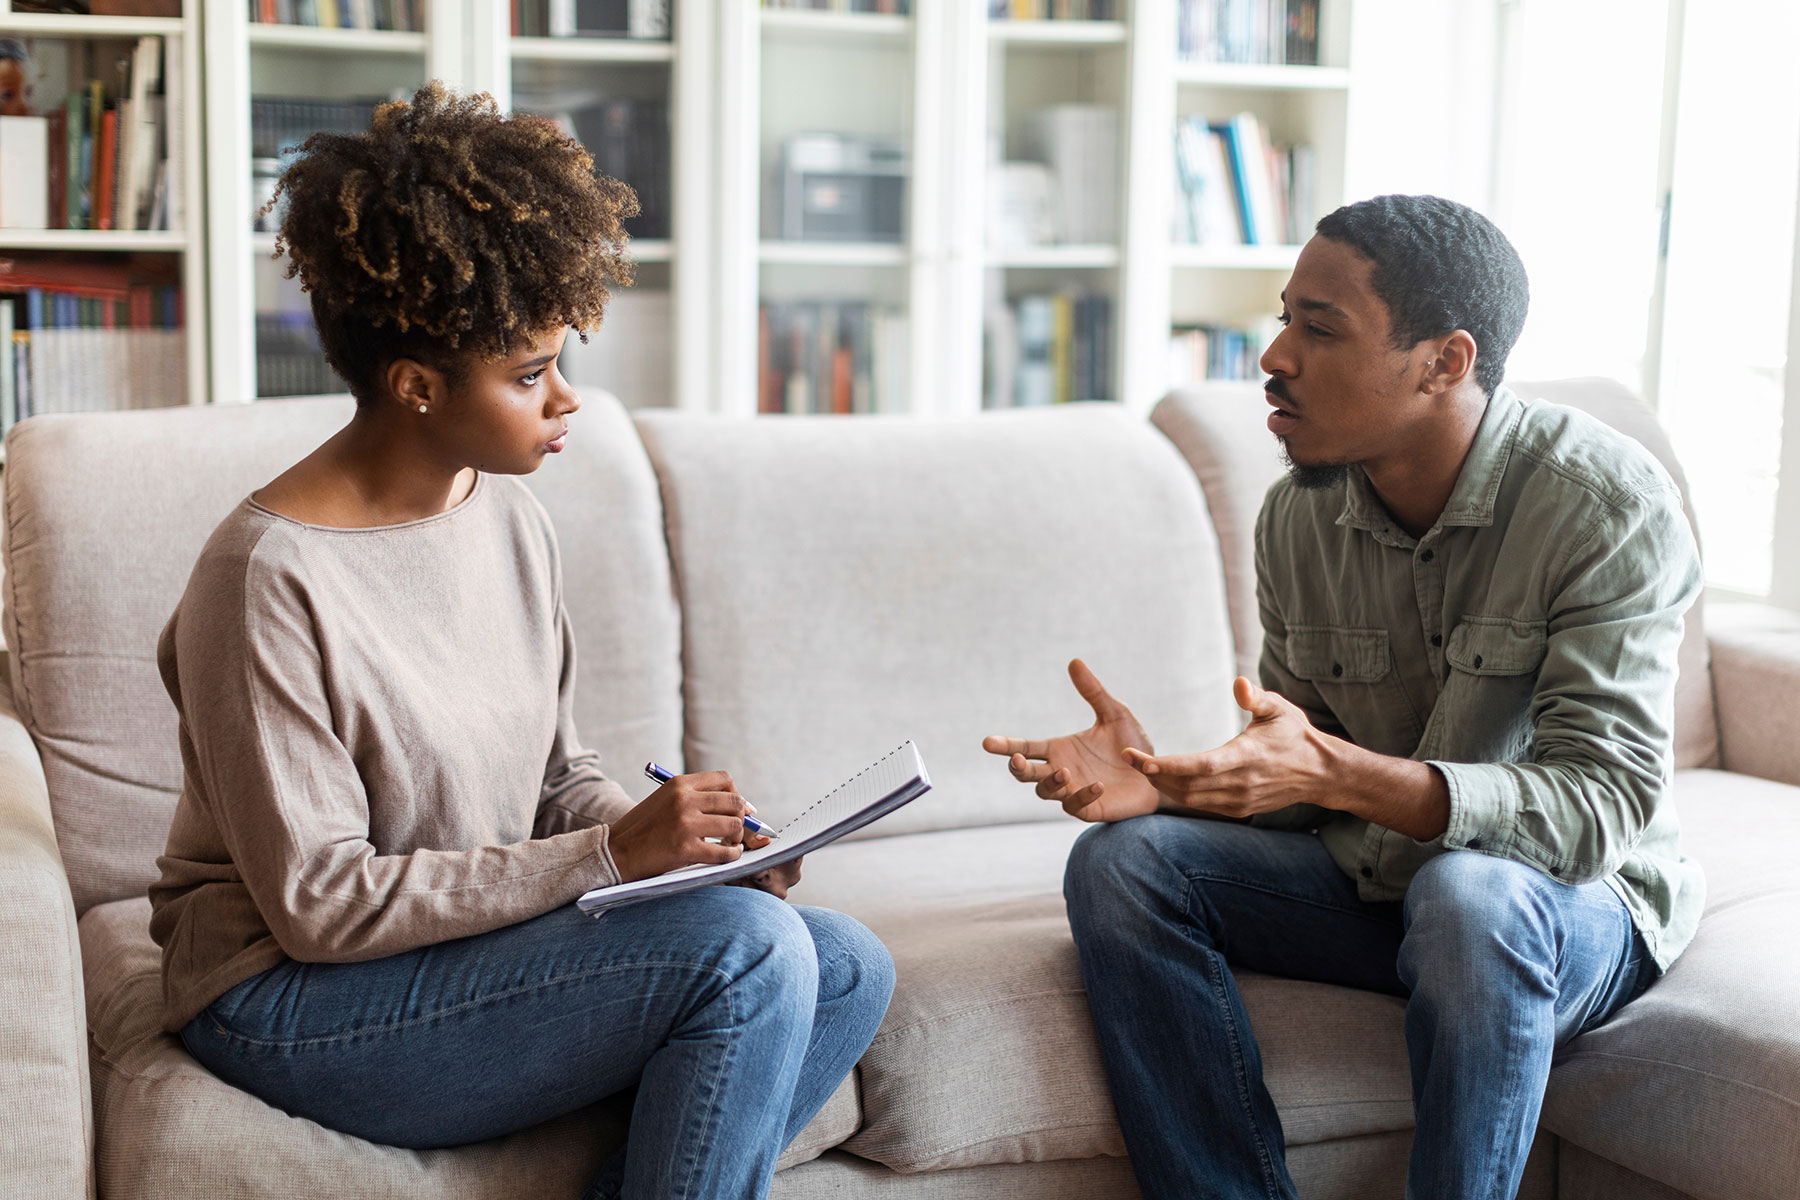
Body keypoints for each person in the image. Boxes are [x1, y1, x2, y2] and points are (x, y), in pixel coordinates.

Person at [149, 84, 894, 1200]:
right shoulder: (263, 581)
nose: (567, 401)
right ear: (413, 385)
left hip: (448, 953)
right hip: (287, 999)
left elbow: (557, 779)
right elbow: (321, 908)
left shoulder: (504, 514)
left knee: (844, 964)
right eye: (530, 374)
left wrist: (682, 843)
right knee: (748, 952)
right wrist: (606, 860)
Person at [984, 194, 1702, 1199]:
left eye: (1318, 329)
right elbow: (1311, 780)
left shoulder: (1605, 506)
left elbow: (1600, 816)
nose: (1273, 357)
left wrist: (1345, 775)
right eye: (1285, 318)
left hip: (1567, 905)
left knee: (1469, 892)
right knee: (1123, 863)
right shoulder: (1297, 517)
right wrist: (1171, 783)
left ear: (1444, 362)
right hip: (1382, 883)